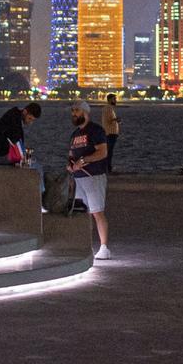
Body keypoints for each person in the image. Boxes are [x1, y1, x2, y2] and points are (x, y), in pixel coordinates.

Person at [65, 102, 112, 259]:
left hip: (94, 176)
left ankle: (104, 247)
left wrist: (83, 161)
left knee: (97, 211)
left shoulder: (96, 130)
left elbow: (103, 152)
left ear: (85, 112)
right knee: (82, 212)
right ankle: (84, 244)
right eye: (72, 111)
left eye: (76, 110)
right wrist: (70, 165)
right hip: (78, 178)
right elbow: (71, 155)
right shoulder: (74, 135)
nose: (74, 113)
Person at [101, 93, 122, 173]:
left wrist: (116, 120)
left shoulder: (108, 108)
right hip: (110, 133)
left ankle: (107, 168)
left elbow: (108, 120)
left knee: (109, 151)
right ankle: (108, 168)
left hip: (109, 133)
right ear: (110, 100)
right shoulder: (108, 108)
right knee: (109, 151)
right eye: (114, 99)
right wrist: (117, 119)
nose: (115, 100)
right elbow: (109, 120)